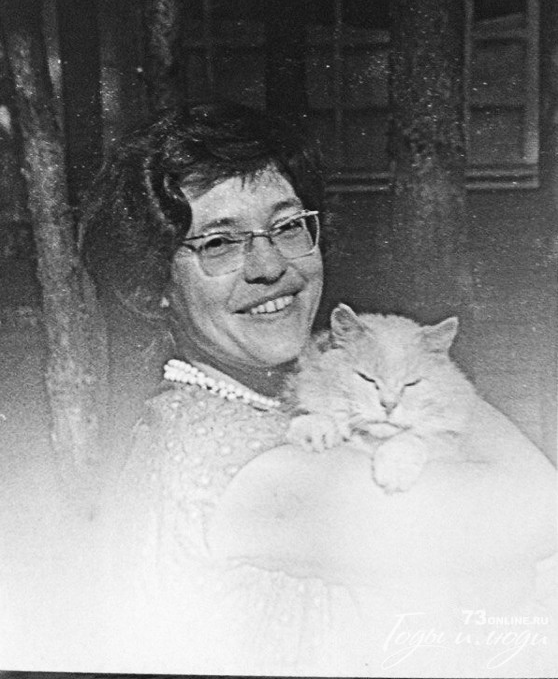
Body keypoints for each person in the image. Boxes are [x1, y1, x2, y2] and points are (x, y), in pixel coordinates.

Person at [81, 102, 556, 677]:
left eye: (287, 227)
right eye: (219, 243)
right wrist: (420, 368)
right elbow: (541, 509)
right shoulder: (251, 468)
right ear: (152, 284)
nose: (269, 266)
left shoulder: (220, 408)